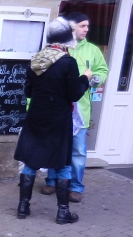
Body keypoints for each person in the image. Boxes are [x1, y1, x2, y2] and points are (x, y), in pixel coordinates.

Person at [14, 17, 91, 225]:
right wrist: (85, 78)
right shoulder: (68, 62)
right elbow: (74, 94)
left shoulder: (36, 59)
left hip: (37, 117)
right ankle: (62, 212)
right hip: (58, 119)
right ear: (67, 39)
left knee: (30, 162)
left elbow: (28, 91)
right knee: (63, 165)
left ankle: (23, 207)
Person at [40, 12, 109, 202]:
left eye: (87, 26)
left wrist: (95, 79)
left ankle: (76, 187)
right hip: (58, 106)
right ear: (71, 28)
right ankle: (52, 181)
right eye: (82, 26)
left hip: (81, 107)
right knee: (55, 145)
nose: (86, 29)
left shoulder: (93, 50)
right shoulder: (57, 48)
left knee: (78, 150)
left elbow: (102, 70)